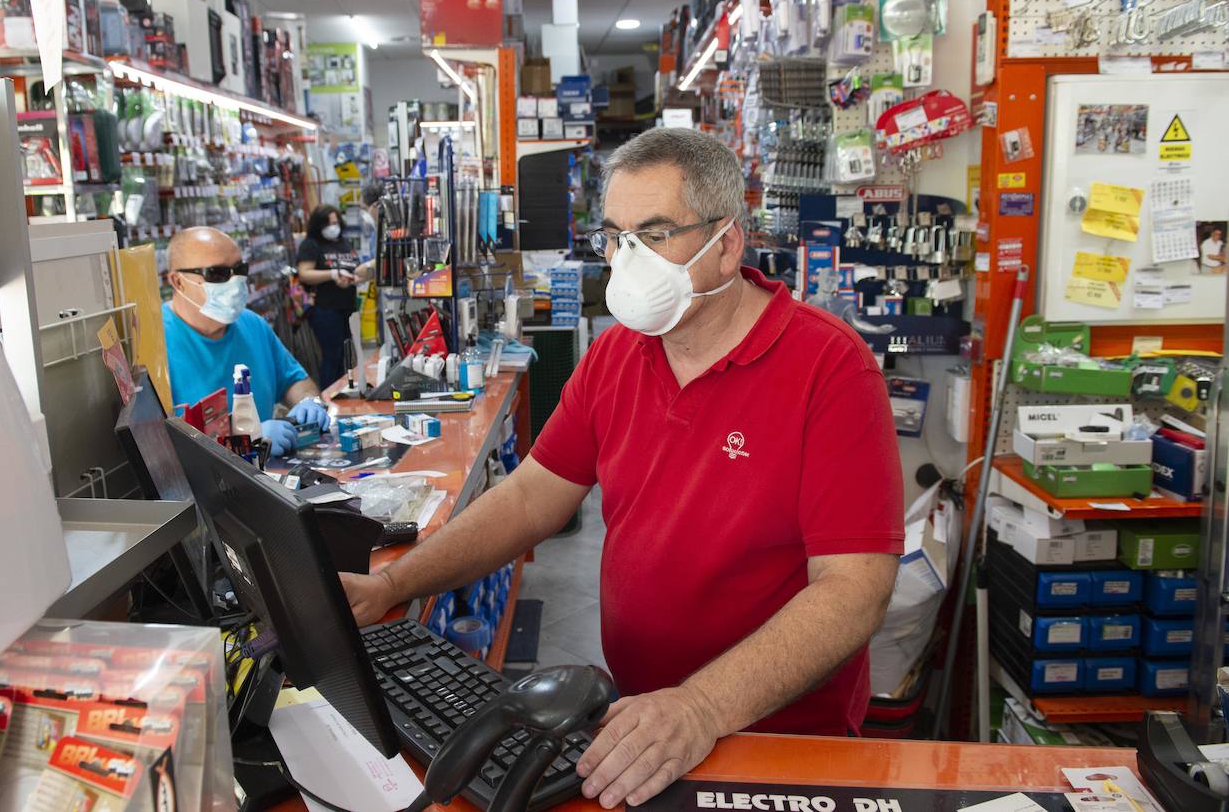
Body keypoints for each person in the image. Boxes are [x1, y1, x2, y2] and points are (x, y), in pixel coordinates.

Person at [340, 129, 903, 808]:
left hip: (778, 738)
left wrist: (700, 706)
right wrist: (394, 583)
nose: (626, 260)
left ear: (727, 242)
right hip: (642, 722)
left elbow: (854, 589)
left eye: (655, 233)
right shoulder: (617, 357)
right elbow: (530, 499)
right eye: (615, 236)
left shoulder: (830, 370)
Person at [163, 226, 329, 456]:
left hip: (266, 479)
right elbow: (165, 448)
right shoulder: (156, 345)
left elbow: (295, 380)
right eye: (217, 274)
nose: (234, 282)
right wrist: (245, 442)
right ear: (178, 281)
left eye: (240, 270)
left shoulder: (252, 325)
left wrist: (309, 402)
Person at [296, 205, 375, 389]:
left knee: (345, 354)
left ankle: (342, 391)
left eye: (337, 222)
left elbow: (353, 268)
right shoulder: (311, 244)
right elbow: (304, 273)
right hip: (325, 308)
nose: (334, 226)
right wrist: (332, 274)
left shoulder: (343, 243)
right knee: (332, 354)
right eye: (330, 223)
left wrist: (355, 278)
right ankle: (328, 394)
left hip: (347, 306)